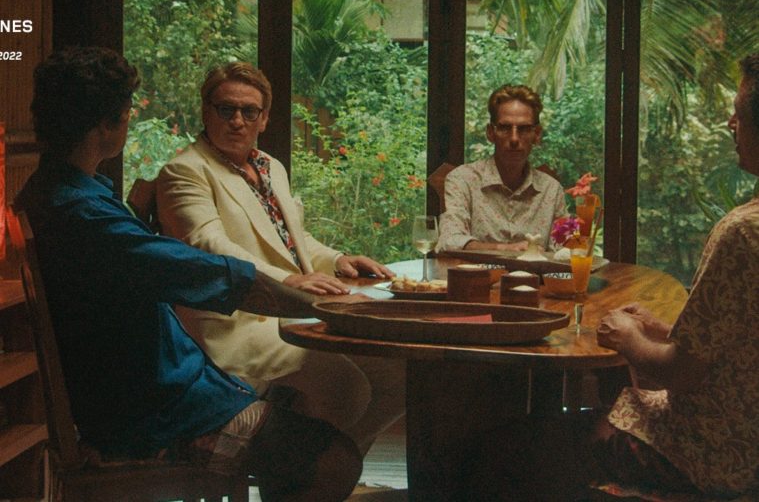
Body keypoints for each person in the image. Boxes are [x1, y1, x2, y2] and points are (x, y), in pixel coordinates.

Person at [15, 47, 362, 502]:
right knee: (335, 459)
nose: (238, 121)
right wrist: (329, 308)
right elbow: (201, 265)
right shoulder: (82, 212)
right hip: (154, 413)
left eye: (250, 111)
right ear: (107, 125)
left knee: (314, 408)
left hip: (156, 387)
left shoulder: (58, 192)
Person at [468, 53, 759, 500]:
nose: (729, 123)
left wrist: (629, 337)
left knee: (503, 447)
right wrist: (661, 329)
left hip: (710, 454)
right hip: (743, 434)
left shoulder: (742, 231)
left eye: (738, 113)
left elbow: (681, 373)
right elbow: (733, 343)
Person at [156, 62, 405, 455]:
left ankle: (324, 470)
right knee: (347, 386)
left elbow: (291, 240)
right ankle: (307, 470)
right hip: (236, 323)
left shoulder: (269, 166)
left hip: (291, 314)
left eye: (249, 111)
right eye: (226, 109)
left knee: (399, 374)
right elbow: (207, 245)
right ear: (206, 112)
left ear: (264, 118)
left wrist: (337, 259)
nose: (237, 121)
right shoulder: (185, 171)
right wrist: (287, 280)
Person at [436, 84, 567, 252]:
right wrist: (504, 249)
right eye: (505, 128)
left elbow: (565, 252)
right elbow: (449, 240)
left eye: (524, 129)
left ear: (537, 134)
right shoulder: (463, 180)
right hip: (476, 270)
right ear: (490, 133)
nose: (514, 139)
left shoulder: (552, 190)